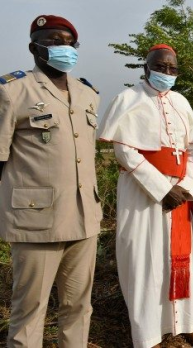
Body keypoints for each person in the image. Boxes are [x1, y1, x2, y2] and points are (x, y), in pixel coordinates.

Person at [96, 44, 193, 348]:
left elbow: (191, 150)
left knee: (183, 260)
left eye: (172, 68)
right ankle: (148, 334)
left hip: (179, 195)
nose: (167, 72)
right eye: (160, 67)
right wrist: (162, 188)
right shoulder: (128, 99)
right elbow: (123, 149)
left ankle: (186, 324)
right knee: (144, 261)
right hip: (143, 194)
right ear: (146, 67)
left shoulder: (181, 102)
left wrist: (185, 186)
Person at [0, 15, 101, 347]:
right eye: (54, 41)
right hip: (36, 219)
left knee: (78, 308)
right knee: (29, 311)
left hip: (85, 216)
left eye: (69, 43)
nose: (64, 48)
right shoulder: (13, 91)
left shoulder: (88, 94)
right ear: (34, 48)